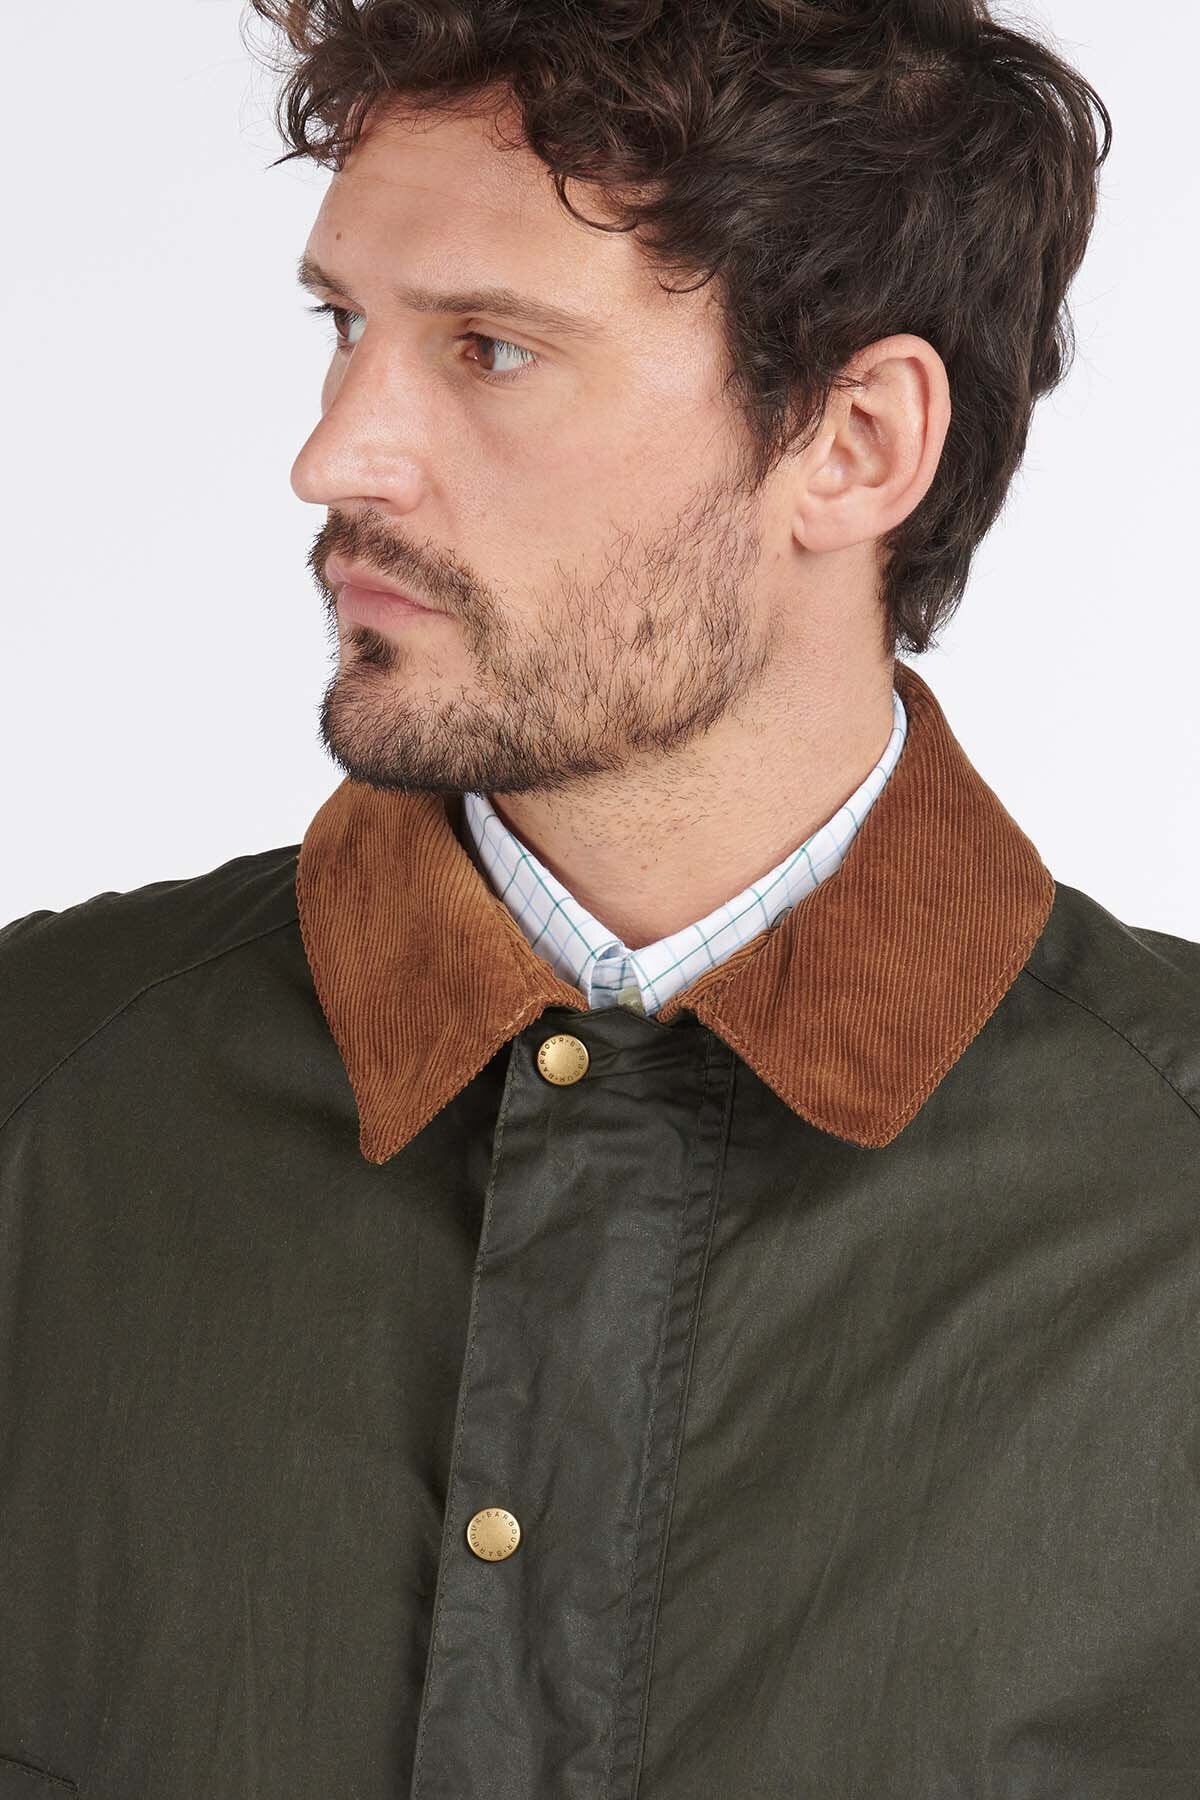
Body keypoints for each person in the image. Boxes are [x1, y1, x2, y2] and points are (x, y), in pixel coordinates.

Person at [3, 2, 1195, 1796]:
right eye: (346, 327)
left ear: (855, 444)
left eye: (489, 349)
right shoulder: (36, 1095)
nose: (335, 457)